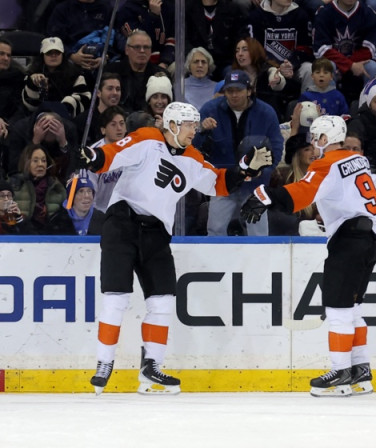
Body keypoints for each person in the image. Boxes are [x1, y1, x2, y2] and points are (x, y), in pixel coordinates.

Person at [79, 101, 272, 395]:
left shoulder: (193, 157)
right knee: (116, 297)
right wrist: (93, 157)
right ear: (171, 125)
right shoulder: (147, 138)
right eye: (189, 124)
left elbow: (218, 183)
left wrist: (245, 168)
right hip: (122, 224)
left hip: (156, 232)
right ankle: (104, 363)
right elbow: (113, 154)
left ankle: (152, 366)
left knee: (163, 300)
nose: (194, 130)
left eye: (195, 125)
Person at [241, 115, 376, 397]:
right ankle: (361, 371)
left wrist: (266, 196)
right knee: (353, 308)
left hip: (350, 239)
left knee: (338, 308)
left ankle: (341, 373)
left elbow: (304, 192)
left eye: (315, 139)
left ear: (324, 139)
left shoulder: (327, 163)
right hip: (371, 241)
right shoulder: (363, 163)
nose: (312, 145)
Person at [195, 70, 284, 236]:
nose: (234, 95)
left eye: (239, 90)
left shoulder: (266, 112)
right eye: (230, 91)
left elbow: (277, 145)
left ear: (249, 91)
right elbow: (193, 146)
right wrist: (201, 130)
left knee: (259, 233)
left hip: (255, 184)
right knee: (215, 230)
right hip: (223, 180)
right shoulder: (210, 110)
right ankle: (214, 262)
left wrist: (265, 171)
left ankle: (259, 262)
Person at [22, 37, 91, 118]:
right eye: (49, 52)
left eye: (57, 52)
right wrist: (33, 84)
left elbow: (84, 100)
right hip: (37, 118)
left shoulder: (75, 75)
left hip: (67, 119)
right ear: (42, 55)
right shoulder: (31, 75)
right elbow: (29, 107)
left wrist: (62, 108)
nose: (53, 55)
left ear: (63, 55)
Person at [267, 133, 320, 235]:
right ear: (297, 155)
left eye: (313, 148)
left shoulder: (321, 177)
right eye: (307, 149)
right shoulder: (281, 178)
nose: (313, 152)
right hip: (290, 235)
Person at [8, 144, 67, 233]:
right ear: (26, 162)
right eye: (35, 161)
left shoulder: (56, 187)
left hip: (51, 239)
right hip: (19, 238)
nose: (40, 164)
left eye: (43, 160)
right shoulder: (14, 185)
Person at [105, 30, 169, 112]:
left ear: (150, 51)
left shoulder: (162, 75)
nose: (142, 51)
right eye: (137, 47)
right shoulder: (111, 72)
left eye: (146, 47)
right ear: (127, 50)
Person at [75, 73, 124, 145]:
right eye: (110, 89)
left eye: (118, 89)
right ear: (98, 93)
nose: (115, 93)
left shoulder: (126, 118)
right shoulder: (83, 121)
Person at [0, 38, 25, 132]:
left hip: (10, 124)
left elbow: (20, 108)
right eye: (1, 54)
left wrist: (7, 125)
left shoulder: (18, 77)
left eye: (8, 55)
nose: (6, 58)